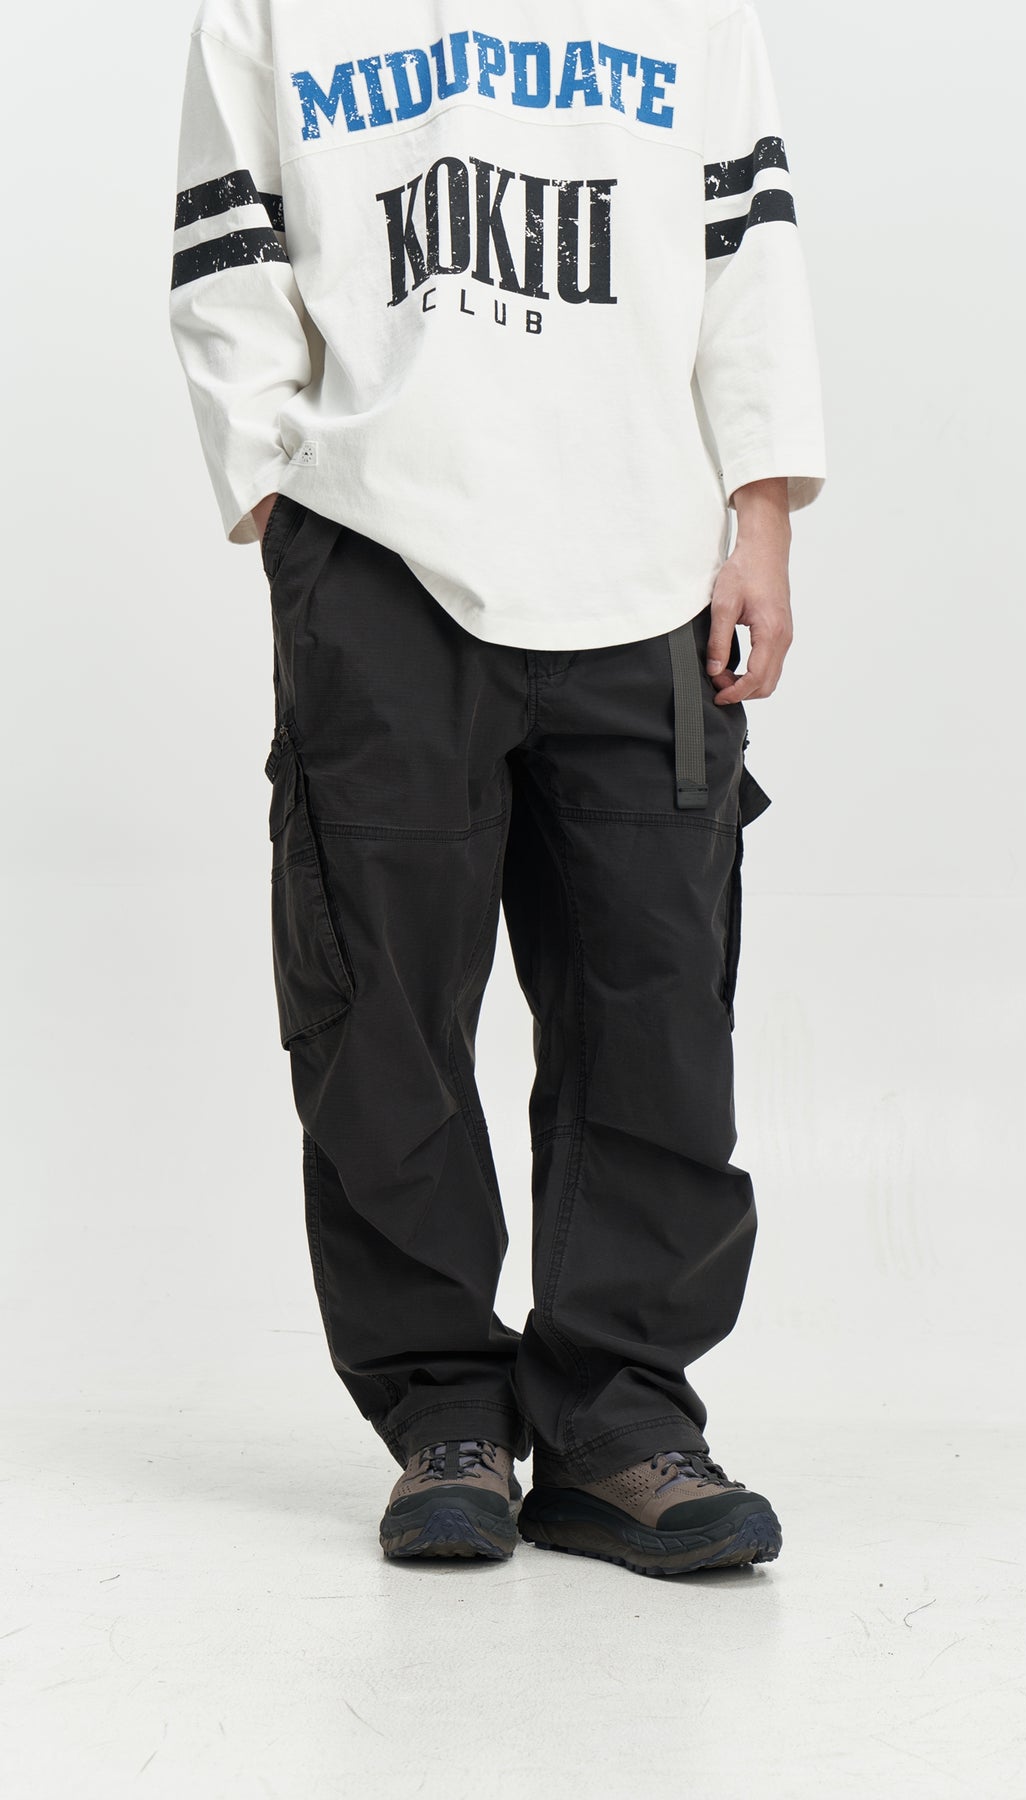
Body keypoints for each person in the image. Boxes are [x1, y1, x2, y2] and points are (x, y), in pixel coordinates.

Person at [169, 0, 826, 1579]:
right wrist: (278, 495)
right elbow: (225, 247)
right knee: (381, 1017)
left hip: (648, 563)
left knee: (655, 1011)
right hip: (383, 557)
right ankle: (444, 1417)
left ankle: (621, 1425)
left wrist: (759, 518)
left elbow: (745, 248)